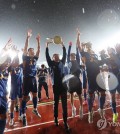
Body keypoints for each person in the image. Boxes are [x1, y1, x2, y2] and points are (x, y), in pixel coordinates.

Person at [77, 29, 106, 123]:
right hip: (91, 77)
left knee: (103, 93)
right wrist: (78, 35)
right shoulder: (84, 54)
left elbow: (101, 63)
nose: (90, 47)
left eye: (90, 46)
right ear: (86, 47)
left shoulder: (96, 54)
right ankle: (90, 113)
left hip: (99, 76)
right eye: (88, 46)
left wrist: (103, 55)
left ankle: (101, 109)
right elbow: (78, 46)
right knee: (91, 95)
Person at [45, 39, 70, 132]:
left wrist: (63, 45)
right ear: (52, 58)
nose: (57, 56)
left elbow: (65, 54)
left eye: (57, 55)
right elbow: (47, 56)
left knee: (64, 105)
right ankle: (55, 118)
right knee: (56, 104)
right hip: (56, 87)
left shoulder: (62, 62)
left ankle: (65, 121)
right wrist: (47, 46)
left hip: (63, 87)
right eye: (55, 55)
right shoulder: (51, 64)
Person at [21, 29, 41, 126]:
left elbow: (39, 51)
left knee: (35, 94)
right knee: (25, 97)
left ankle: (35, 109)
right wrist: (28, 38)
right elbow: (25, 48)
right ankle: (23, 115)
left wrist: (38, 41)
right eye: (31, 50)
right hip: (26, 79)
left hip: (33, 79)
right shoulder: (25, 57)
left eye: (33, 50)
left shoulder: (35, 58)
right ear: (28, 52)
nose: (32, 51)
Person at [67, 40, 83, 119]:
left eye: (73, 56)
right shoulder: (69, 62)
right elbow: (68, 54)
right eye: (71, 56)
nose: (72, 56)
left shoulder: (77, 61)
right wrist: (70, 46)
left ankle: (81, 108)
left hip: (77, 80)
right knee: (71, 95)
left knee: (80, 95)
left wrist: (77, 46)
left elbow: (78, 53)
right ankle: (73, 108)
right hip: (71, 81)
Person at [8, 47, 23, 126]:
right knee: (12, 103)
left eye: (18, 61)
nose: (17, 62)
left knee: (21, 101)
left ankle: (20, 115)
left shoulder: (21, 67)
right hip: (13, 88)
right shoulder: (11, 68)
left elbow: (22, 60)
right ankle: (11, 118)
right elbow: (11, 62)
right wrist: (14, 53)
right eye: (15, 61)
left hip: (20, 87)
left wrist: (17, 53)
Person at [0, 39, 12, 134]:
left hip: (3, 97)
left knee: (4, 115)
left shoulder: (6, 71)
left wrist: (7, 93)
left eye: (9, 62)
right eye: (6, 61)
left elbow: (4, 85)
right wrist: (5, 49)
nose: (7, 63)